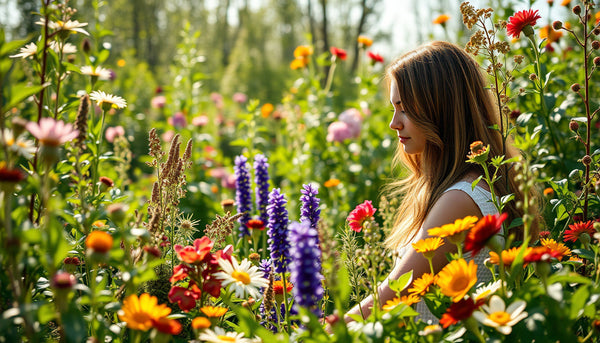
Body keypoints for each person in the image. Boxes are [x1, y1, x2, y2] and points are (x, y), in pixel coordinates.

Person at [345, 41, 537, 323]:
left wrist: (314, 336)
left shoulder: (460, 200)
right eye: (393, 109)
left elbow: (392, 295)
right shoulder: (473, 187)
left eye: (405, 109)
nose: (394, 123)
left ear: (440, 109)